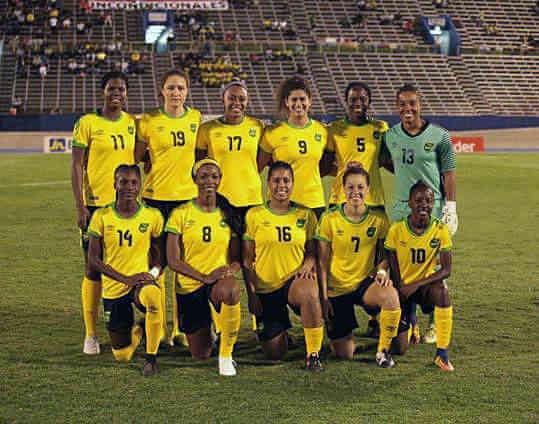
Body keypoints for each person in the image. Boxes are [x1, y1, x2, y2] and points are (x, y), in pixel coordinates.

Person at [382, 84, 457, 343]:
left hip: (432, 210)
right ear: (396, 107)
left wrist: (451, 207)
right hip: (402, 210)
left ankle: (436, 323)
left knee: (434, 267)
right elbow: (385, 160)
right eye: (402, 104)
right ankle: (410, 322)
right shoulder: (390, 136)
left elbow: (448, 173)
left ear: (420, 104)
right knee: (404, 267)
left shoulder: (440, 136)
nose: (407, 108)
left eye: (412, 103)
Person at [135, 69, 201, 348]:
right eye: (171, 88)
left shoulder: (195, 119)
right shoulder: (148, 121)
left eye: (181, 88)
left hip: (186, 201)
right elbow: (137, 158)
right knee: (157, 265)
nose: (176, 93)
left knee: (184, 268)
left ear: (187, 91)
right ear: (161, 91)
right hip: (155, 200)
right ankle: (159, 327)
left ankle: (182, 330)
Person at [71, 71, 135, 355]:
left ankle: (126, 321)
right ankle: (90, 335)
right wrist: (80, 204)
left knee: (129, 263)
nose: (116, 93)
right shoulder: (87, 123)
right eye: (111, 89)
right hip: (96, 207)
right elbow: (76, 166)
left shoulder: (133, 124)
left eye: (121, 89)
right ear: (103, 92)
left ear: (126, 93)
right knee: (92, 267)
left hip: (128, 208)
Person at [196, 78, 264, 334]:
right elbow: (200, 167)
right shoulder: (208, 130)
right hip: (220, 205)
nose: (236, 103)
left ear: (247, 102)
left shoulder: (257, 127)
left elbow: (259, 161)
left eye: (241, 99)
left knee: (251, 264)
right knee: (221, 262)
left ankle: (259, 321)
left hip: (251, 203)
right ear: (223, 100)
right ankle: (217, 322)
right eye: (232, 98)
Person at [243, 161, 324, 371]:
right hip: (266, 288)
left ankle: (313, 354)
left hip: (293, 281)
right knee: (274, 353)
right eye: (276, 180)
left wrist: (308, 264)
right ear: (268, 184)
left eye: (286, 180)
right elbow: (246, 260)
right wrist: (252, 295)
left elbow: (313, 252)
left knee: (309, 291)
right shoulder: (254, 215)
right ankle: (281, 333)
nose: (282, 185)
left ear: (293, 183)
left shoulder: (306, 215)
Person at [316, 166, 401, 367]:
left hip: (364, 284)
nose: (356, 192)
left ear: (368, 189)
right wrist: (323, 296)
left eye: (361, 187)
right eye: (350, 187)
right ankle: (343, 338)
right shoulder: (330, 218)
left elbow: (385, 253)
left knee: (390, 295)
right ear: (342, 189)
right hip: (337, 288)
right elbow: (322, 261)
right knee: (344, 354)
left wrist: (381, 270)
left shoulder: (378, 219)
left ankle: (383, 351)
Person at [326, 82, 391, 338]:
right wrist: (343, 171)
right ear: (346, 100)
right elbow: (324, 165)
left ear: (369, 101)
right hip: (340, 202)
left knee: (377, 262)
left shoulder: (380, 128)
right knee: (339, 258)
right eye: (353, 98)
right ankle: (336, 312)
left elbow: (386, 160)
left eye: (362, 98)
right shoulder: (335, 129)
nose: (358, 102)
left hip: (373, 201)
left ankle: (376, 316)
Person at [166, 159, 242, 376]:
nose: (209, 181)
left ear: (220, 180)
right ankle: (213, 329)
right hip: (190, 285)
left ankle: (226, 356)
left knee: (231, 289)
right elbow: (173, 261)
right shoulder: (180, 214)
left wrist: (229, 271)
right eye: (204, 176)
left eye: (214, 176)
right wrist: (203, 276)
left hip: (217, 282)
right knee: (200, 353)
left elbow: (237, 259)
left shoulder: (228, 213)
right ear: (195, 179)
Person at [87, 165, 164, 376]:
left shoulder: (152, 215)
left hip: (141, 284)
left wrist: (153, 274)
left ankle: (151, 359)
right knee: (122, 355)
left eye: (133, 182)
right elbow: (93, 259)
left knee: (154, 297)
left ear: (140, 186)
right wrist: (124, 278)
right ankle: (139, 331)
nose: (128, 187)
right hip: (114, 287)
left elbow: (160, 253)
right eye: (123, 182)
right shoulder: (101, 216)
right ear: (114, 184)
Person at [385, 181, 454, 371]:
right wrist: (400, 291)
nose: (424, 204)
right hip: (402, 289)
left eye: (429, 200)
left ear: (434, 203)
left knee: (442, 292)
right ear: (410, 202)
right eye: (419, 200)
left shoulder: (440, 230)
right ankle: (411, 323)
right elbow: (393, 265)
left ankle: (442, 354)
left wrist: (416, 285)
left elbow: (446, 270)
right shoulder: (396, 229)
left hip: (424, 288)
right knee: (399, 349)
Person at [259, 76, 329, 220]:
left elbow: (327, 164)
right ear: (286, 102)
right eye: (294, 99)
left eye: (302, 99)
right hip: (282, 203)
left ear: (310, 101)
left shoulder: (322, 131)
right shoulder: (273, 132)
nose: (298, 104)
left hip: (313, 203)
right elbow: (257, 167)